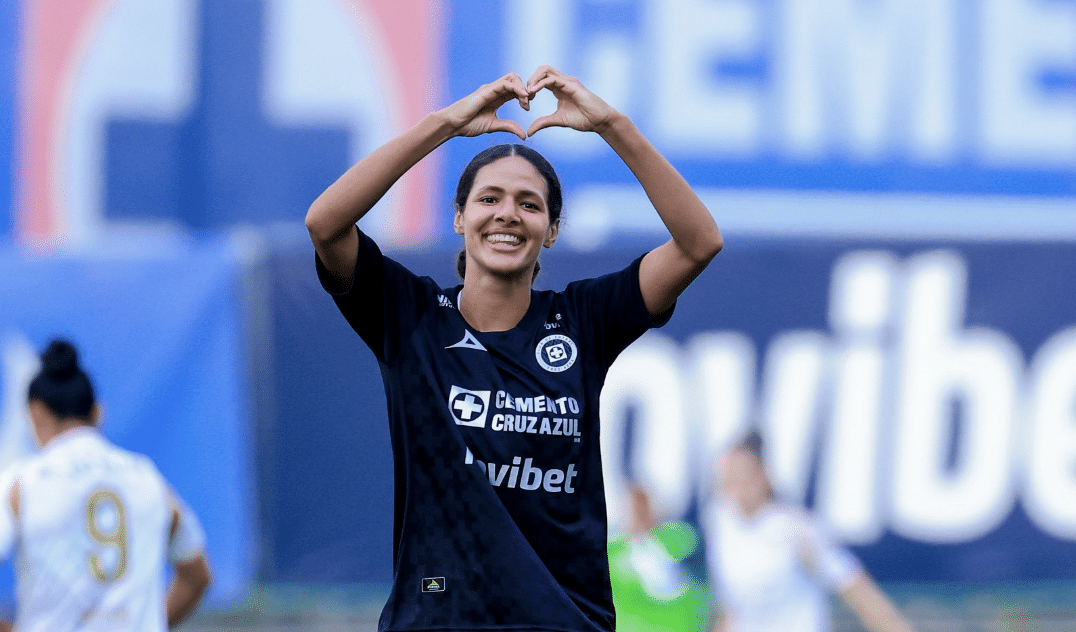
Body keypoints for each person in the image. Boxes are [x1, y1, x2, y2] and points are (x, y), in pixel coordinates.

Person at [305, 65, 723, 632]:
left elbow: (699, 244)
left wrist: (612, 125)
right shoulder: (410, 316)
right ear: (459, 217)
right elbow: (326, 223)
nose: (507, 213)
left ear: (551, 230)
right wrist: (445, 124)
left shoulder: (584, 320)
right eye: (489, 198)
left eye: (530, 204)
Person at [0, 339, 211, 632]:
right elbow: (197, 576)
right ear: (98, 412)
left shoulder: (21, 484)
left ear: (35, 413)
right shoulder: (147, 478)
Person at [703, 430, 916, 632]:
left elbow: (858, 591)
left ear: (763, 476)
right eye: (728, 479)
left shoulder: (796, 529)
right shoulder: (720, 525)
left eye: (743, 478)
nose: (734, 489)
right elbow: (732, 611)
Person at [607, 484, 708, 632]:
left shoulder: (679, 538)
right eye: (630, 509)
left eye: (641, 507)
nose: (636, 514)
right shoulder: (612, 550)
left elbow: (673, 580)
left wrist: (646, 541)